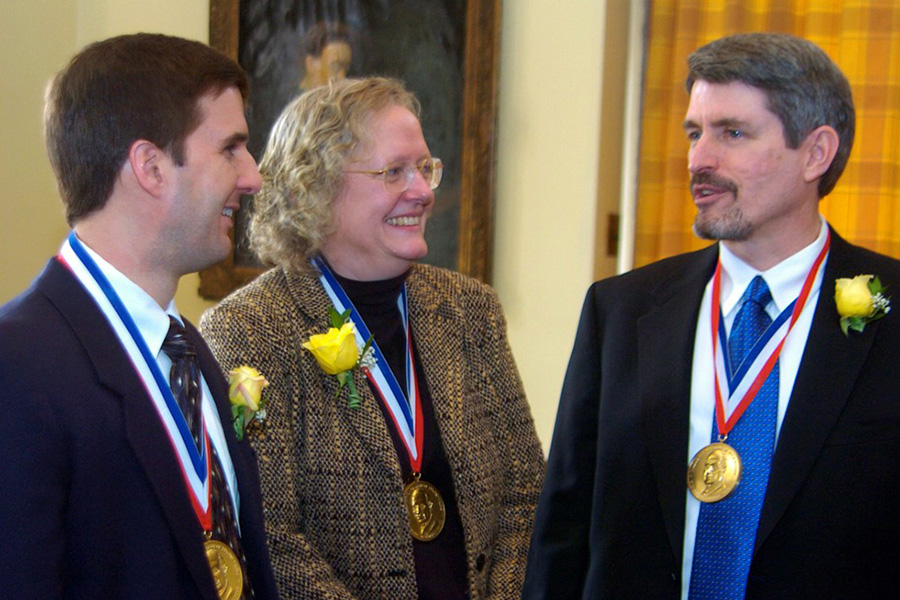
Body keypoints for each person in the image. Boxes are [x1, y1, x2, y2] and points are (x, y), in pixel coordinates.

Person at [523, 32, 900, 599]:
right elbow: (563, 533)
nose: (699, 160)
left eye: (733, 133)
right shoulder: (621, 311)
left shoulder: (891, 316)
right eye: (694, 133)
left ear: (816, 153)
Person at [200, 76, 545, 599]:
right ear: (314, 189)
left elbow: (526, 490)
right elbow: (270, 536)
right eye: (394, 172)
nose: (423, 191)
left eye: (425, 168)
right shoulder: (248, 331)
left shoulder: (470, 310)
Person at [0, 33, 279, 599]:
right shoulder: (18, 364)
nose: (253, 176)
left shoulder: (189, 351)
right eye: (231, 149)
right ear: (150, 167)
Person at [299, 22, 352, 93]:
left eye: (347, 68)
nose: (343, 77)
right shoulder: (289, 97)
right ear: (311, 64)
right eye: (335, 67)